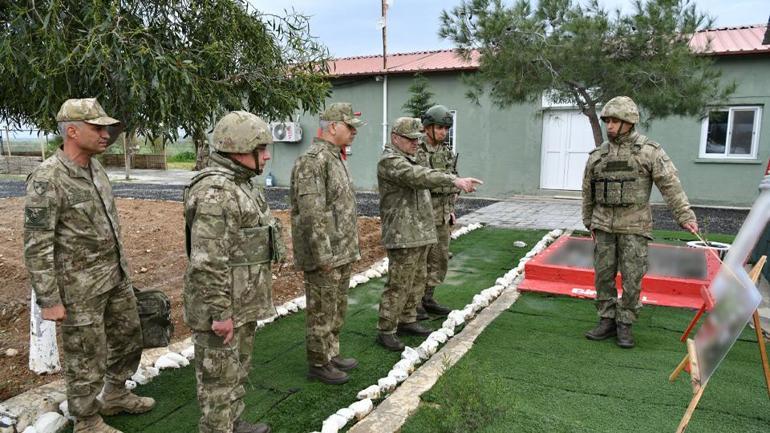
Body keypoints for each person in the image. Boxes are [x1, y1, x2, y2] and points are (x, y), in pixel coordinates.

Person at [23, 98, 155, 433]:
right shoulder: (47, 179)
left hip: (114, 276)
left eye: (105, 128)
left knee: (128, 337)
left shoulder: (95, 168)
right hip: (79, 289)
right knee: (86, 356)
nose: (105, 134)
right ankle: (86, 420)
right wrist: (49, 300)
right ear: (71, 130)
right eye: (96, 128)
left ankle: (114, 394)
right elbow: (37, 245)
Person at [184, 111, 285, 433]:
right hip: (224, 306)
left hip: (241, 302)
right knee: (217, 381)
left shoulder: (241, 185)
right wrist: (220, 312)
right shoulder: (217, 192)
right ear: (239, 148)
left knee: (236, 371)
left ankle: (233, 422)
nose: (267, 155)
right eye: (262, 148)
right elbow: (208, 261)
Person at [582, 96, 698, 348]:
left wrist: (685, 215)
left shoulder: (649, 152)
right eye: (608, 121)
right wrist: (588, 219)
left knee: (633, 277)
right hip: (603, 226)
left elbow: (670, 185)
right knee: (603, 276)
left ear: (629, 122)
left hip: (634, 227)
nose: (609, 126)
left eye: (615, 121)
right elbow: (587, 191)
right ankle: (606, 319)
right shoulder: (598, 156)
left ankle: (625, 323)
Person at [376, 117, 483, 351]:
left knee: (417, 279)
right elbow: (419, 177)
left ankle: (407, 319)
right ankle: (386, 329)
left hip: (420, 230)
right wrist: (455, 180)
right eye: (411, 139)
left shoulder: (411, 158)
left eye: (418, 138)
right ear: (395, 138)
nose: (416, 143)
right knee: (399, 283)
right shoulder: (391, 161)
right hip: (403, 233)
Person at [289, 102, 366, 385]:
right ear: (333, 126)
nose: (354, 132)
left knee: (337, 307)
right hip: (326, 254)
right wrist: (323, 256)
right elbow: (312, 214)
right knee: (321, 310)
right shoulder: (313, 161)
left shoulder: (335, 158)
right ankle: (318, 362)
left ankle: (331, 352)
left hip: (341, 250)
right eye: (350, 126)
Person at [416, 105, 459, 318]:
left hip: (442, 213)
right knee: (420, 260)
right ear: (427, 127)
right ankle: (413, 304)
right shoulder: (416, 149)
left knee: (439, 258)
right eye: (439, 127)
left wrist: (451, 208)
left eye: (446, 128)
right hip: (422, 214)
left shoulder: (445, 151)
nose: (443, 132)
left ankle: (428, 298)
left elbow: (453, 177)